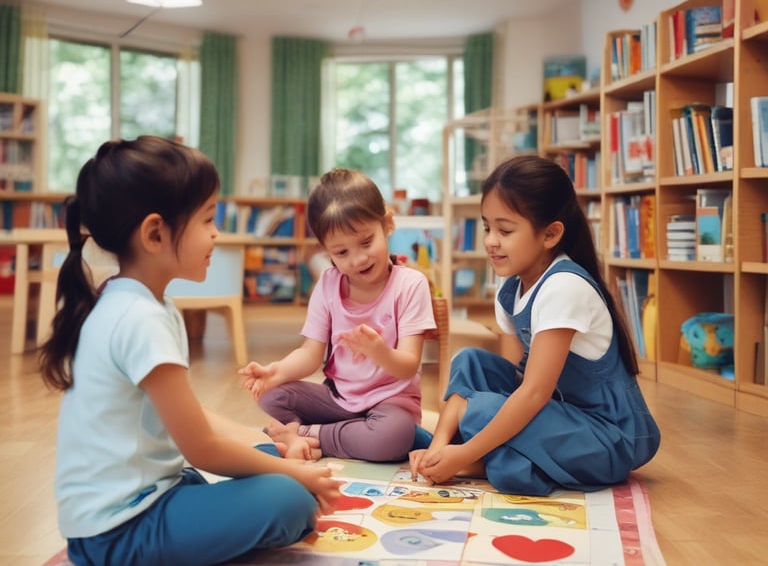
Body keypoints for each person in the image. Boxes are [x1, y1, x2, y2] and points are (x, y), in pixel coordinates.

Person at [39, 136, 341, 566]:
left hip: (143, 499)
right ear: (155, 233)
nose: (216, 233)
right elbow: (201, 447)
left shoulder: (136, 301)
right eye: (207, 219)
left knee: (269, 461)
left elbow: (189, 419)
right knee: (290, 499)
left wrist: (269, 441)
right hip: (119, 530)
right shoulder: (138, 318)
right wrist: (295, 473)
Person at [410, 155, 661, 495]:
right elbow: (515, 379)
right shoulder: (512, 288)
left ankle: (482, 460)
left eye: (505, 230)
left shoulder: (564, 287)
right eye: (487, 227)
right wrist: (438, 447)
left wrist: (466, 451)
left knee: (484, 411)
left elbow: (532, 394)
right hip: (556, 416)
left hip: (605, 437)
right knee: (471, 361)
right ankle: (478, 456)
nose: (490, 241)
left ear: (551, 234)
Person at [239, 168, 436, 462]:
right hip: (338, 400)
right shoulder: (329, 284)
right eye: (341, 253)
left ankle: (307, 435)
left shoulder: (410, 284)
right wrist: (275, 372)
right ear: (326, 251)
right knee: (273, 396)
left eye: (366, 242)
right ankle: (344, 433)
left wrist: (378, 351)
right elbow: (310, 353)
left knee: (393, 435)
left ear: (387, 224)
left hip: (390, 405)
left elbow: (408, 366)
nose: (357, 259)